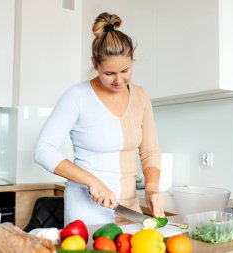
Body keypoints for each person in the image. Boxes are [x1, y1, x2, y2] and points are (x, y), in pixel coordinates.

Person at [34, 12, 164, 226]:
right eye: (109, 73)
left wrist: (152, 188)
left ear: (132, 60)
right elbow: (43, 150)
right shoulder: (77, 96)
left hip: (129, 210)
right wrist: (92, 181)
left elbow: (150, 151)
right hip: (87, 211)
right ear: (95, 64)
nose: (118, 80)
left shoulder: (141, 96)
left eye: (125, 70)